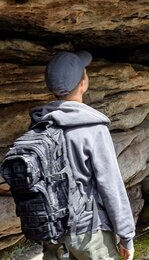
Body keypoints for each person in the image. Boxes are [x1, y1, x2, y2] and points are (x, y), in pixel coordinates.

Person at [32, 51, 135, 260]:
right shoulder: (93, 128)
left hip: (52, 232)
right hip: (90, 233)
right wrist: (126, 236)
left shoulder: (38, 126)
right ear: (83, 82)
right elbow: (111, 186)